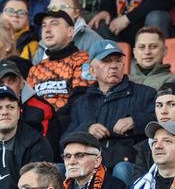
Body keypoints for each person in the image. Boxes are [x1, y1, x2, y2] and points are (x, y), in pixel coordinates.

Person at [64, 39, 157, 169]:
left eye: (118, 61)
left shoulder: (145, 94)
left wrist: (135, 121)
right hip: (89, 166)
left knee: (122, 169)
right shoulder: (81, 102)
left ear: (123, 66)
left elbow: (163, 123)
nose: (113, 66)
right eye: (106, 61)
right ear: (92, 71)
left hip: (129, 164)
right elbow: (65, 139)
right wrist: (87, 130)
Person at [27, 9, 90, 111]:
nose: (47, 30)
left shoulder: (83, 60)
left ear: (70, 31)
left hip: (70, 119)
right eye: (44, 25)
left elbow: (81, 100)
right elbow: (27, 104)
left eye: (54, 24)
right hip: (39, 120)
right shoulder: (35, 69)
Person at [32, 0, 103, 65]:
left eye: (63, 7)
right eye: (52, 8)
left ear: (76, 13)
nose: (57, 12)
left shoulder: (94, 41)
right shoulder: (45, 42)